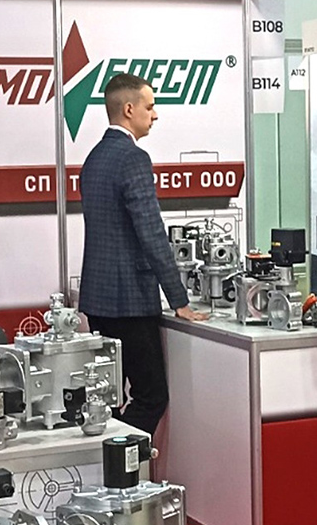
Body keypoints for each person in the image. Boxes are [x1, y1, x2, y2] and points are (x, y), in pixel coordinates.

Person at [79, 73, 208, 435]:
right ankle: (118, 462)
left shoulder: (94, 158)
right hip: (129, 302)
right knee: (151, 397)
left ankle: (107, 455)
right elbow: (151, 233)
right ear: (128, 109)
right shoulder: (133, 158)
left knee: (109, 398)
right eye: (150, 107)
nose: (155, 115)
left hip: (99, 299)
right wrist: (179, 300)